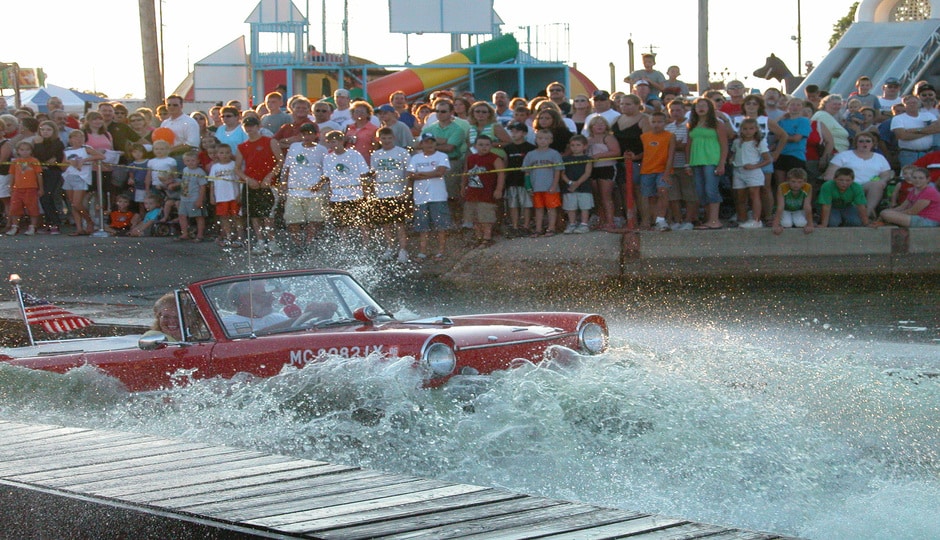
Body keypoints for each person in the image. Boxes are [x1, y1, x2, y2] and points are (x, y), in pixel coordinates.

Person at [237, 116, 283, 255]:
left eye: (252, 125)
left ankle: (272, 242)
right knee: (254, 215)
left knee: (269, 215)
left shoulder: (270, 141)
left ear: (258, 126)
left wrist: (270, 176)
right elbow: (237, 168)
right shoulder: (242, 146)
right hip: (252, 183)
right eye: (247, 126)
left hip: (268, 184)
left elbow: (280, 161)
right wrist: (248, 179)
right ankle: (260, 241)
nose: (249, 128)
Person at [280, 123, 328, 254]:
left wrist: (319, 185)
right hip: (295, 190)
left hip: (314, 191)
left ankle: (309, 243)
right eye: (304, 134)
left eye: (309, 134)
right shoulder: (294, 147)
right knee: (292, 220)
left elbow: (327, 170)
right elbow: (287, 166)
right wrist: (283, 183)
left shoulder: (322, 150)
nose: (306, 136)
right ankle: (297, 244)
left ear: (315, 135)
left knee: (314, 220)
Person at [822, 132, 892, 218]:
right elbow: (830, 173)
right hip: (848, 186)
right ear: (856, 143)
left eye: (868, 141)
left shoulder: (879, 158)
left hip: (868, 185)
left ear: (873, 144)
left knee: (877, 185)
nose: (864, 143)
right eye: (861, 141)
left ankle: (868, 213)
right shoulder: (844, 155)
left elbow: (886, 174)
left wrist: (882, 181)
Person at [407, 132, 452, 259]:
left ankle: (441, 251)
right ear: (421, 144)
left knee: (441, 226)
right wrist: (429, 173)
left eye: (432, 141)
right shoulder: (415, 158)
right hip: (420, 197)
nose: (430, 144)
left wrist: (421, 174)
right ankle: (422, 252)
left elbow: (440, 172)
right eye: (426, 141)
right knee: (422, 227)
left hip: (438, 196)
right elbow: (410, 174)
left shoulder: (442, 156)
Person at [370, 126, 412, 261]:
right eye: (383, 138)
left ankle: (403, 249)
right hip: (381, 194)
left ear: (394, 138)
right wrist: (373, 192)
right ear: (379, 139)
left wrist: (407, 191)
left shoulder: (402, 153)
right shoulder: (375, 155)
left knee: (400, 223)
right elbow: (374, 174)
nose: (387, 141)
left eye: (389, 138)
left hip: (398, 193)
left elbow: (409, 173)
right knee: (385, 224)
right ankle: (390, 247)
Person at [688, 97, 729, 230]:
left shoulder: (717, 124)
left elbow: (724, 145)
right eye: (698, 105)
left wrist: (722, 163)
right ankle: (708, 219)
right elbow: (688, 145)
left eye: (704, 105)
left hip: (712, 161)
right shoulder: (692, 124)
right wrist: (687, 164)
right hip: (696, 161)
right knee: (701, 192)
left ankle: (715, 220)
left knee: (711, 190)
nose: (701, 108)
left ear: (710, 108)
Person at [322, 129, 370, 239]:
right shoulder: (328, 158)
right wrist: (330, 195)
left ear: (342, 141)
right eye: (330, 142)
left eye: (335, 141)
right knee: (341, 225)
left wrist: (366, 193)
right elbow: (328, 178)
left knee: (363, 223)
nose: (333, 144)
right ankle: (343, 245)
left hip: (355, 194)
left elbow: (363, 174)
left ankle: (366, 245)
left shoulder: (354, 154)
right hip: (337, 196)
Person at [461, 134, 505, 246]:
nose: (484, 147)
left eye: (487, 145)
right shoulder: (471, 158)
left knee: (486, 217)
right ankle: (478, 237)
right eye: (480, 145)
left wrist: (499, 189)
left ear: (491, 146)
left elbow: (501, 174)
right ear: (475, 146)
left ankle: (487, 237)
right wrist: (463, 187)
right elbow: (465, 173)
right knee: (474, 216)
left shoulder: (495, 158)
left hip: (487, 193)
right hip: (472, 192)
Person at [730, 118, 772, 228]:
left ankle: (756, 220)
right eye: (745, 129)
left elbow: (768, 159)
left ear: (756, 129)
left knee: (754, 195)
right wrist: (732, 159)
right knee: (740, 196)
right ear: (741, 130)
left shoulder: (759, 142)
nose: (748, 131)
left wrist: (754, 166)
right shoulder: (737, 142)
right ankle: (742, 218)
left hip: (753, 171)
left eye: (751, 128)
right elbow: (734, 153)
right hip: (738, 170)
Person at [523, 129, 564, 237]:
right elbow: (526, 172)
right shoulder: (530, 154)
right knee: (538, 208)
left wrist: (554, 185)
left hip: (550, 186)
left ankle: (551, 228)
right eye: (540, 138)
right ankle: (538, 229)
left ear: (551, 140)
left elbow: (558, 171)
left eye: (546, 139)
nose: (543, 141)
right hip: (536, 186)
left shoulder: (554, 154)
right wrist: (528, 186)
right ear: (535, 140)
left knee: (551, 208)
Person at [639, 111, 676, 231]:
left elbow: (671, 155)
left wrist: (667, 173)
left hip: (663, 170)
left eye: (659, 122)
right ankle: (651, 220)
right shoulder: (644, 136)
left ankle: (661, 219)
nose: (656, 124)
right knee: (649, 196)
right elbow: (644, 153)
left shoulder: (670, 136)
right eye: (653, 122)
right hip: (647, 170)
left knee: (663, 191)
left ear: (665, 123)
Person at [62, 129, 103, 236]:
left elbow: (101, 156)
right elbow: (62, 165)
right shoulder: (67, 150)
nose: (79, 139)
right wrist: (69, 162)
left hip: (81, 177)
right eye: (75, 137)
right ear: (70, 139)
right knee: (73, 204)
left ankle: (89, 221)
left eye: (81, 137)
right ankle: (79, 228)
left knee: (77, 203)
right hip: (69, 176)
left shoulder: (86, 149)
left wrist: (84, 161)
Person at [586, 115, 621, 231]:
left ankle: (610, 221)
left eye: (602, 124)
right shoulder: (588, 140)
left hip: (607, 168)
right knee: (597, 197)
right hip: (593, 170)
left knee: (606, 196)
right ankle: (601, 220)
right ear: (591, 127)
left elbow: (616, 152)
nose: (599, 126)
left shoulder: (608, 138)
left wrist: (599, 156)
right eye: (596, 124)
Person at [875, 166, 940, 228]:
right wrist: (890, 211)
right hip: (917, 217)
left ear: (928, 179)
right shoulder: (914, 190)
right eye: (914, 178)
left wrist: (892, 214)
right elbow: (902, 207)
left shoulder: (929, 191)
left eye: (921, 178)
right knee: (885, 212)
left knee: (886, 214)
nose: (917, 180)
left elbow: (912, 211)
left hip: (928, 220)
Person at [502, 122, 535, 237]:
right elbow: (505, 164)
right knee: (513, 204)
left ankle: (526, 226)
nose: (514, 134)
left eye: (517, 131)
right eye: (512, 131)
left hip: (525, 181)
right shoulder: (507, 148)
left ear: (524, 133)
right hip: (511, 180)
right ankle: (515, 226)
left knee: (526, 204)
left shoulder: (531, 148)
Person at [209, 143, 245, 248]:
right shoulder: (215, 167)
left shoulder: (235, 165)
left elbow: (240, 181)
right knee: (224, 218)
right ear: (217, 154)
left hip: (234, 195)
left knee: (237, 217)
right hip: (221, 197)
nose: (224, 155)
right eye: (221, 153)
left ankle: (240, 238)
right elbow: (212, 182)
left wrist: (240, 195)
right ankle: (228, 237)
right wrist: (212, 196)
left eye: (227, 152)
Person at [33, 120, 65, 234]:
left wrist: (39, 145)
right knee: (42, 198)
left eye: (48, 130)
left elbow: (45, 156)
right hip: (40, 172)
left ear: (54, 131)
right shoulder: (36, 141)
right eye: (42, 129)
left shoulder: (57, 143)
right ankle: (49, 223)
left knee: (48, 196)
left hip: (53, 172)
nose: (45, 132)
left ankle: (55, 223)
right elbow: (37, 158)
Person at [5, 141, 43, 236]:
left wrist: (41, 188)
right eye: (22, 150)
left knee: (32, 207)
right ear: (18, 151)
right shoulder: (15, 162)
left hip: (31, 188)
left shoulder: (34, 161)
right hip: (17, 188)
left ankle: (33, 226)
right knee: (15, 208)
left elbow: (39, 175)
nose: (25, 152)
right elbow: (12, 174)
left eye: (27, 149)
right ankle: (15, 226)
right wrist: (11, 186)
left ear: (31, 150)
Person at [561, 134, 593, 234]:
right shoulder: (565, 159)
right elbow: (562, 173)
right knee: (571, 207)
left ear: (584, 146)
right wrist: (570, 183)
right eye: (573, 145)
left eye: (578, 145)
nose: (575, 147)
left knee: (584, 206)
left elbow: (587, 173)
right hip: (569, 187)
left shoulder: (587, 159)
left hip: (584, 186)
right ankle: (572, 223)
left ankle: (584, 224)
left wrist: (577, 183)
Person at [891, 94, 934, 168]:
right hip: (909, 154)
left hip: (928, 153)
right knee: (909, 177)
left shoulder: (928, 115)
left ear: (919, 104)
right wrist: (928, 132)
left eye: (914, 103)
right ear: (904, 105)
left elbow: (937, 128)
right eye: (909, 103)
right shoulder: (898, 118)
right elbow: (902, 136)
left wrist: (916, 130)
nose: (912, 105)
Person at [772, 168, 814, 235]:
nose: (796, 185)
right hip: (785, 210)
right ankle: (779, 219)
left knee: (801, 224)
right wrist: (776, 225)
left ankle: (795, 219)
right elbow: (780, 206)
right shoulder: (782, 187)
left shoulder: (808, 187)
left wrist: (810, 224)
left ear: (805, 181)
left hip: (798, 210)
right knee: (786, 224)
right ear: (788, 180)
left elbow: (807, 205)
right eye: (793, 181)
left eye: (800, 182)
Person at [145, 140, 179, 221]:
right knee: (155, 203)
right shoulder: (151, 161)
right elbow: (148, 175)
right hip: (155, 185)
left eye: (162, 149)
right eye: (156, 149)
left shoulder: (171, 160)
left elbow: (175, 175)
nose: (159, 151)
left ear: (168, 150)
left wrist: (168, 183)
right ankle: (154, 218)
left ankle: (166, 217)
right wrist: (147, 188)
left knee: (166, 203)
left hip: (167, 187)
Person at [178, 150, 208, 242]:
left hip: (195, 198)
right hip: (184, 198)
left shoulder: (200, 172)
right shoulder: (185, 170)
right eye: (188, 160)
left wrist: (200, 199)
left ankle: (200, 235)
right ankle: (185, 233)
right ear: (184, 162)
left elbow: (203, 187)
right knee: (182, 215)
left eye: (193, 160)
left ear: (198, 161)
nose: (190, 163)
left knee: (198, 217)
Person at [345, 101, 378, 165]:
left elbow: (376, 148)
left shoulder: (374, 129)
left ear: (368, 114)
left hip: (365, 162)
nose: (359, 114)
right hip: (349, 162)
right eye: (357, 111)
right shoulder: (348, 128)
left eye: (362, 112)